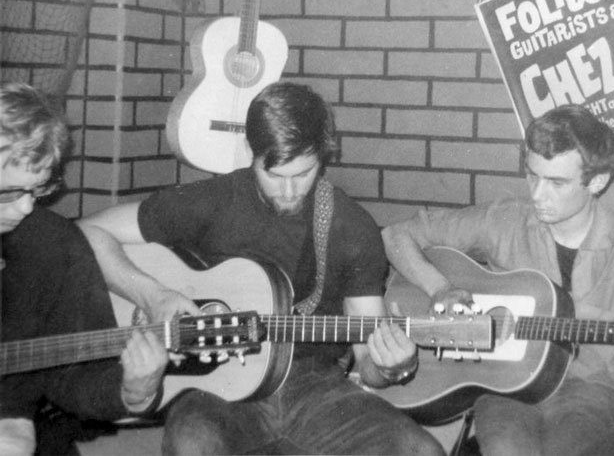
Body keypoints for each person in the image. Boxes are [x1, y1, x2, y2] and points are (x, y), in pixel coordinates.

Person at [78, 81, 445, 455]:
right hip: (216, 390)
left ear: (323, 154)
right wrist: (153, 296)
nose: (289, 192)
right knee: (191, 445)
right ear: (250, 151)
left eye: (303, 174)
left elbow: (368, 362)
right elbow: (89, 231)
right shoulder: (211, 202)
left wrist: (390, 367)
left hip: (316, 390)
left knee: (420, 451)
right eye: (274, 175)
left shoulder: (352, 227)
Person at [381, 105, 614, 456]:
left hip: (594, 395)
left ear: (596, 181)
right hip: (507, 387)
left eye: (556, 183)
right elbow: (396, 235)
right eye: (533, 176)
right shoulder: (506, 220)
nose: (536, 195)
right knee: (506, 450)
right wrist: (440, 288)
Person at [0, 83, 169, 456]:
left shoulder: (55, 247)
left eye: (39, 188)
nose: (27, 207)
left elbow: (78, 376)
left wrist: (136, 389)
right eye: (10, 192)